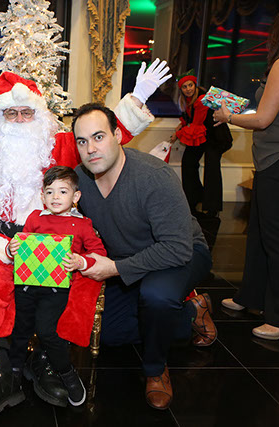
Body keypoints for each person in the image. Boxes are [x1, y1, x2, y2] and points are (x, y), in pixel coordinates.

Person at [0, 35, 170, 421]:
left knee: (76, 280)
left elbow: (103, 142)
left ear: (40, 115)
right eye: (10, 114)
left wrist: (138, 96)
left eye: (26, 113)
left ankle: (47, 360)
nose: (18, 121)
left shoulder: (59, 145)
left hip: (49, 241)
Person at [72, 103, 216, 410]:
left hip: (181, 254)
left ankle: (155, 368)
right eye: (82, 141)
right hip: (130, 260)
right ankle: (191, 313)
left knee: (156, 295)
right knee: (108, 334)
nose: (90, 149)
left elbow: (177, 247)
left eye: (98, 137)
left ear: (118, 135)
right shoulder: (79, 181)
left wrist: (115, 268)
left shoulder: (154, 176)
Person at [214, 3, 279, 342]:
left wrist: (228, 116)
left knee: (276, 237)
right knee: (259, 231)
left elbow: (264, 119)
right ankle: (250, 295)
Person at [6, 166, 106, 409]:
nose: (55, 197)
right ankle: (14, 370)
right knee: (20, 328)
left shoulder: (82, 224)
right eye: (50, 192)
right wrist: (12, 248)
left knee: (47, 330)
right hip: (27, 284)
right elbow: (21, 244)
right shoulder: (35, 218)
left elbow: (99, 253)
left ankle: (66, 372)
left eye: (63, 191)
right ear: (42, 196)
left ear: (75, 196)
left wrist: (81, 261)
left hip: (55, 289)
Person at [170, 73, 232, 217]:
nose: (188, 89)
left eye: (190, 85)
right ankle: (195, 197)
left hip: (216, 137)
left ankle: (212, 207)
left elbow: (196, 124)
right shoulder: (186, 101)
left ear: (195, 85)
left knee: (212, 166)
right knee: (188, 162)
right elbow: (189, 119)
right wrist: (180, 126)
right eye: (184, 87)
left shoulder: (202, 99)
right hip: (202, 135)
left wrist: (178, 134)